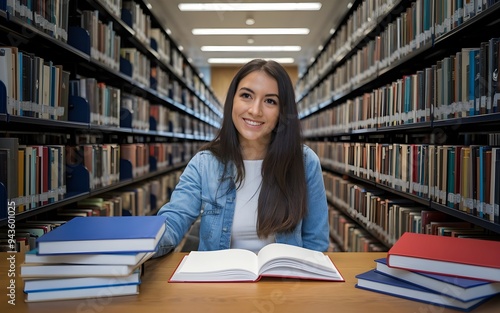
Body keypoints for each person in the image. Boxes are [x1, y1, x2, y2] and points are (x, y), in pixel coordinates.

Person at [154, 59, 329, 257]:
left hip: (283, 284)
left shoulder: (305, 163)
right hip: (220, 281)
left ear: (282, 111)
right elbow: (175, 218)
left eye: (270, 101)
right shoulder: (204, 164)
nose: (255, 110)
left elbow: (316, 243)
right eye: (246, 95)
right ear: (232, 100)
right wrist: (141, 245)